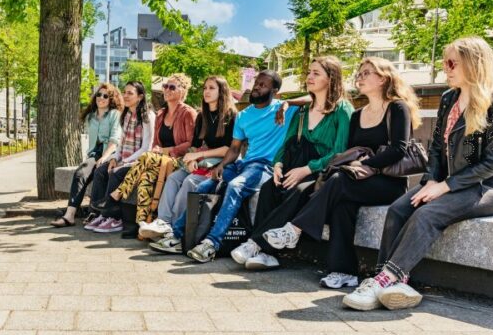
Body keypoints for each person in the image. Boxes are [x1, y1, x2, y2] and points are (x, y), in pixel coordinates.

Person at [344, 37, 493, 311]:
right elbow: (436, 147)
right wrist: (433, 180)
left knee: (426, 214)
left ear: (472, 64)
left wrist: (445, 186)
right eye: (444, 62)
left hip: (486, 187)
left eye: (451, 63)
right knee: (399, 209)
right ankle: (387, 279)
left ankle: (386, 280)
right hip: (445, 182)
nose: (445, 68)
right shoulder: (449, 98)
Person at [251, 57, 420, 287]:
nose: (360, 77)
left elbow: (398, 149)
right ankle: (345, 272)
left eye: (367, 73)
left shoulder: (397, 107)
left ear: (383, 78)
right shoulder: (358, 115)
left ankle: (294, 229)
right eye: (359, 73)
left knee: (339, 180)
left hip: (387, 182)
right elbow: (349, 152)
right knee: (341, 205)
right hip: (357, 180)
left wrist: (365, 164)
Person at [150, 70, 297, 262]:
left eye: (263, 85)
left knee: (235, 186)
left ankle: (212, 243)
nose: (257, 87)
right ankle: (178, 235)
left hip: (264, 166)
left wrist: (287, 103)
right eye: (256, 83)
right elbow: (235, 148)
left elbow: (314, 99)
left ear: (275, 91)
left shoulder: (284, 109)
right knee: (204, 185)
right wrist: (221, 166)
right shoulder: (244, 115)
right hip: (242, 164)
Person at [232, 56, 353, 270]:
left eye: (316, 73)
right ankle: (267, 253)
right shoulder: (303, 111)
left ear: (331, 78)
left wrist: (307, 169)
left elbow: (340, 151)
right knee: (270, 187)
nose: (310, 77)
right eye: (309, 72)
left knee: (299, 189)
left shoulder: (342, 109)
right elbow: (286, 143)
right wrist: (278, 165)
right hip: (295, 165)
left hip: (321, 170)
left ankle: (256, 244)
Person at [93, 74, 197, 235]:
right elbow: (155, 142)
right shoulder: (162, 113)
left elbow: (191, 143)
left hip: (180, 160)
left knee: (146, 158)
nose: (166, 90)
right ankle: (141, 224)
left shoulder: (188, 113)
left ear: (182, 92)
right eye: (165, 86)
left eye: (172, 87)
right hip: (159, 160)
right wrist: (158, 150)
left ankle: (116, 195)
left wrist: (166, 151)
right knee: (145, 178)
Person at [139, 76, 237, 240]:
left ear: (222, 91)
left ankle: (174, 228)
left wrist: (198, 155)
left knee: (189, 181)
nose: (206, 91)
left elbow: (229, 149)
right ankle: (163, 221)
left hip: (222, 164)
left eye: (212, 88)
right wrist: (191, 159)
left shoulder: (231, 116)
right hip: (202, 162)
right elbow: (195, 144)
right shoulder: (202, 116)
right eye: (205, 88)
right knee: (173, 178)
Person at [84, 81, 155, 232]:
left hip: (139, 161)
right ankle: (97, 213)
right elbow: (121, 144)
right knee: (100, 171)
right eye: (125, 92)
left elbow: (146, 148)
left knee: (115, 174)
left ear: (140, 97)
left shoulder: (148, 116)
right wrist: (115, 158)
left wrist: (125, 162)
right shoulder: (126, 114)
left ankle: (114, 218)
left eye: (130, 93)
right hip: (124, 158)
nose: (126, 96)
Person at [51, 83, 123, 227]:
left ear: (111, 99)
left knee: (99, 173)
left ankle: (94, 213)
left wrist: (104, 157)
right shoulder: (91, 117)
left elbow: (115, 139)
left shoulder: (115, 114)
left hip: (111, 154)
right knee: (80, 173)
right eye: (98, 94)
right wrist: (93, 158)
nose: (100, 98)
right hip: (94, 154)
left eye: (105, 96)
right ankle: (69, 215)